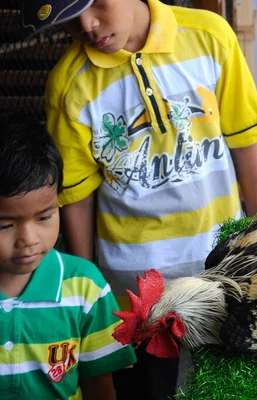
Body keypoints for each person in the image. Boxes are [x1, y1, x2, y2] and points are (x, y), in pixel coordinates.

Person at [20, 0, 257, 398]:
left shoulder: (210, 37)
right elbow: (77, 194)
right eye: (67, 20)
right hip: (134, 292)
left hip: (222, 267)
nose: (86, 25)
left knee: (227, 383)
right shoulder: (70, 84)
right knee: (149, 389)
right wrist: (90, 283)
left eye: (95, 4)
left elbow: (245, 141)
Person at [0, 111, 136, 400]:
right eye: (5, 225)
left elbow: (100, 386)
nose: (28, 239)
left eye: (45, 217)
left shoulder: (86, 289)